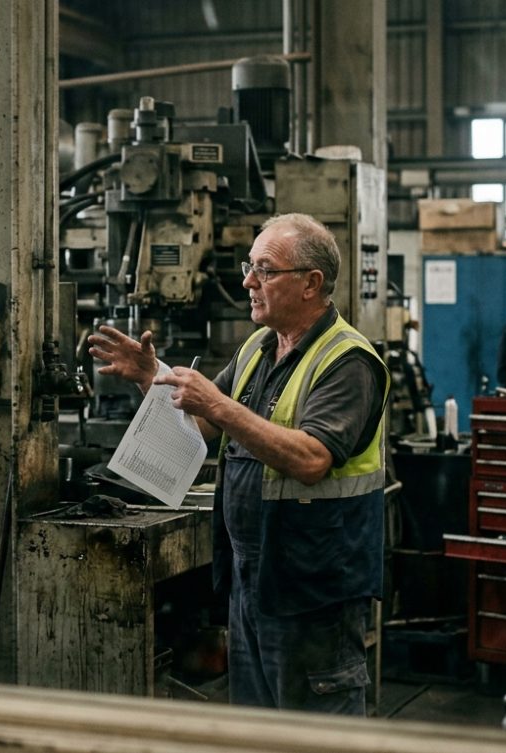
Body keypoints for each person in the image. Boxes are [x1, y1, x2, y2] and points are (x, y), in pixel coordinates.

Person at [88, 213, 388, 714]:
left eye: (265, 270)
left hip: (314, 589)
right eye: (251, 267)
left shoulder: (347, 361)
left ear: (311, 283)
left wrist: (218, 404)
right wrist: (150, 377)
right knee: (256, 729)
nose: (248, 282)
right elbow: (201, 428)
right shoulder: (257, 348)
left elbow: (312, 458)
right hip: (252, 581)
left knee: (315, 735)